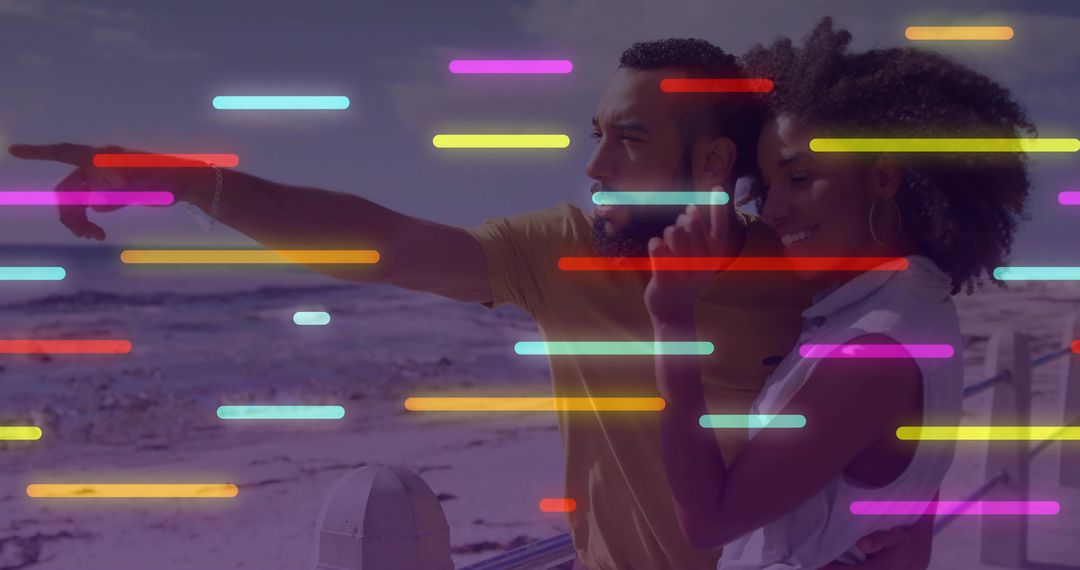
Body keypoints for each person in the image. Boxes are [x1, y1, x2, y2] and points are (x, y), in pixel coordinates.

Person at [10, 38, 931, 570]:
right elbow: (382, 243)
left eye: (629, 141)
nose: (595, 164)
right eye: (596, 135)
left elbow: (896, 453)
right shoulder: (567, 249)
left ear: (716, 165)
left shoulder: (812, 279)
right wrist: (180, 180)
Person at [644, 19, 1032, 568]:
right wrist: (915, 529)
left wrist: (672, 319)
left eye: (799, 178)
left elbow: (708, 520)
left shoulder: (869, 351)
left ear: (883, 177)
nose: (772, 210)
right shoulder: (915, 309)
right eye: (769, 186)